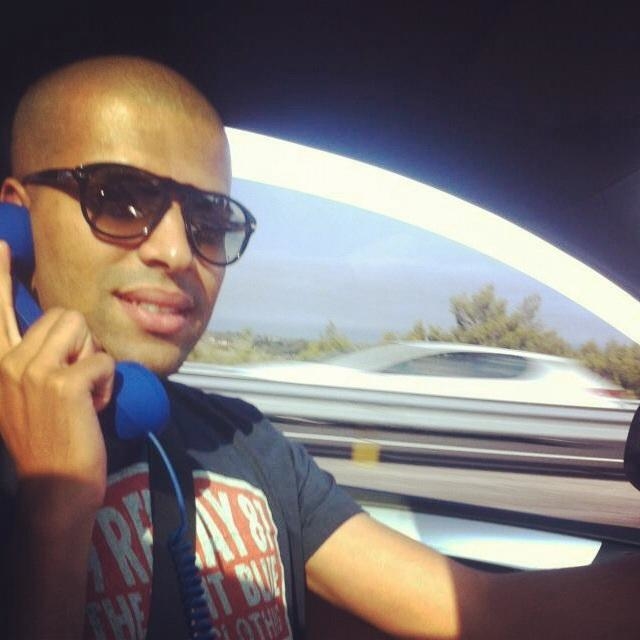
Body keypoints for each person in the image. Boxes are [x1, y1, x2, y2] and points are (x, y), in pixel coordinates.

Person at [0, 55, 639, 640]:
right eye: (118, 198)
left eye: (209, 222)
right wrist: (57, 507)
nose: (176, 251)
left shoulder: (241, 441)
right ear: (15, 222)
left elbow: (480, 611)